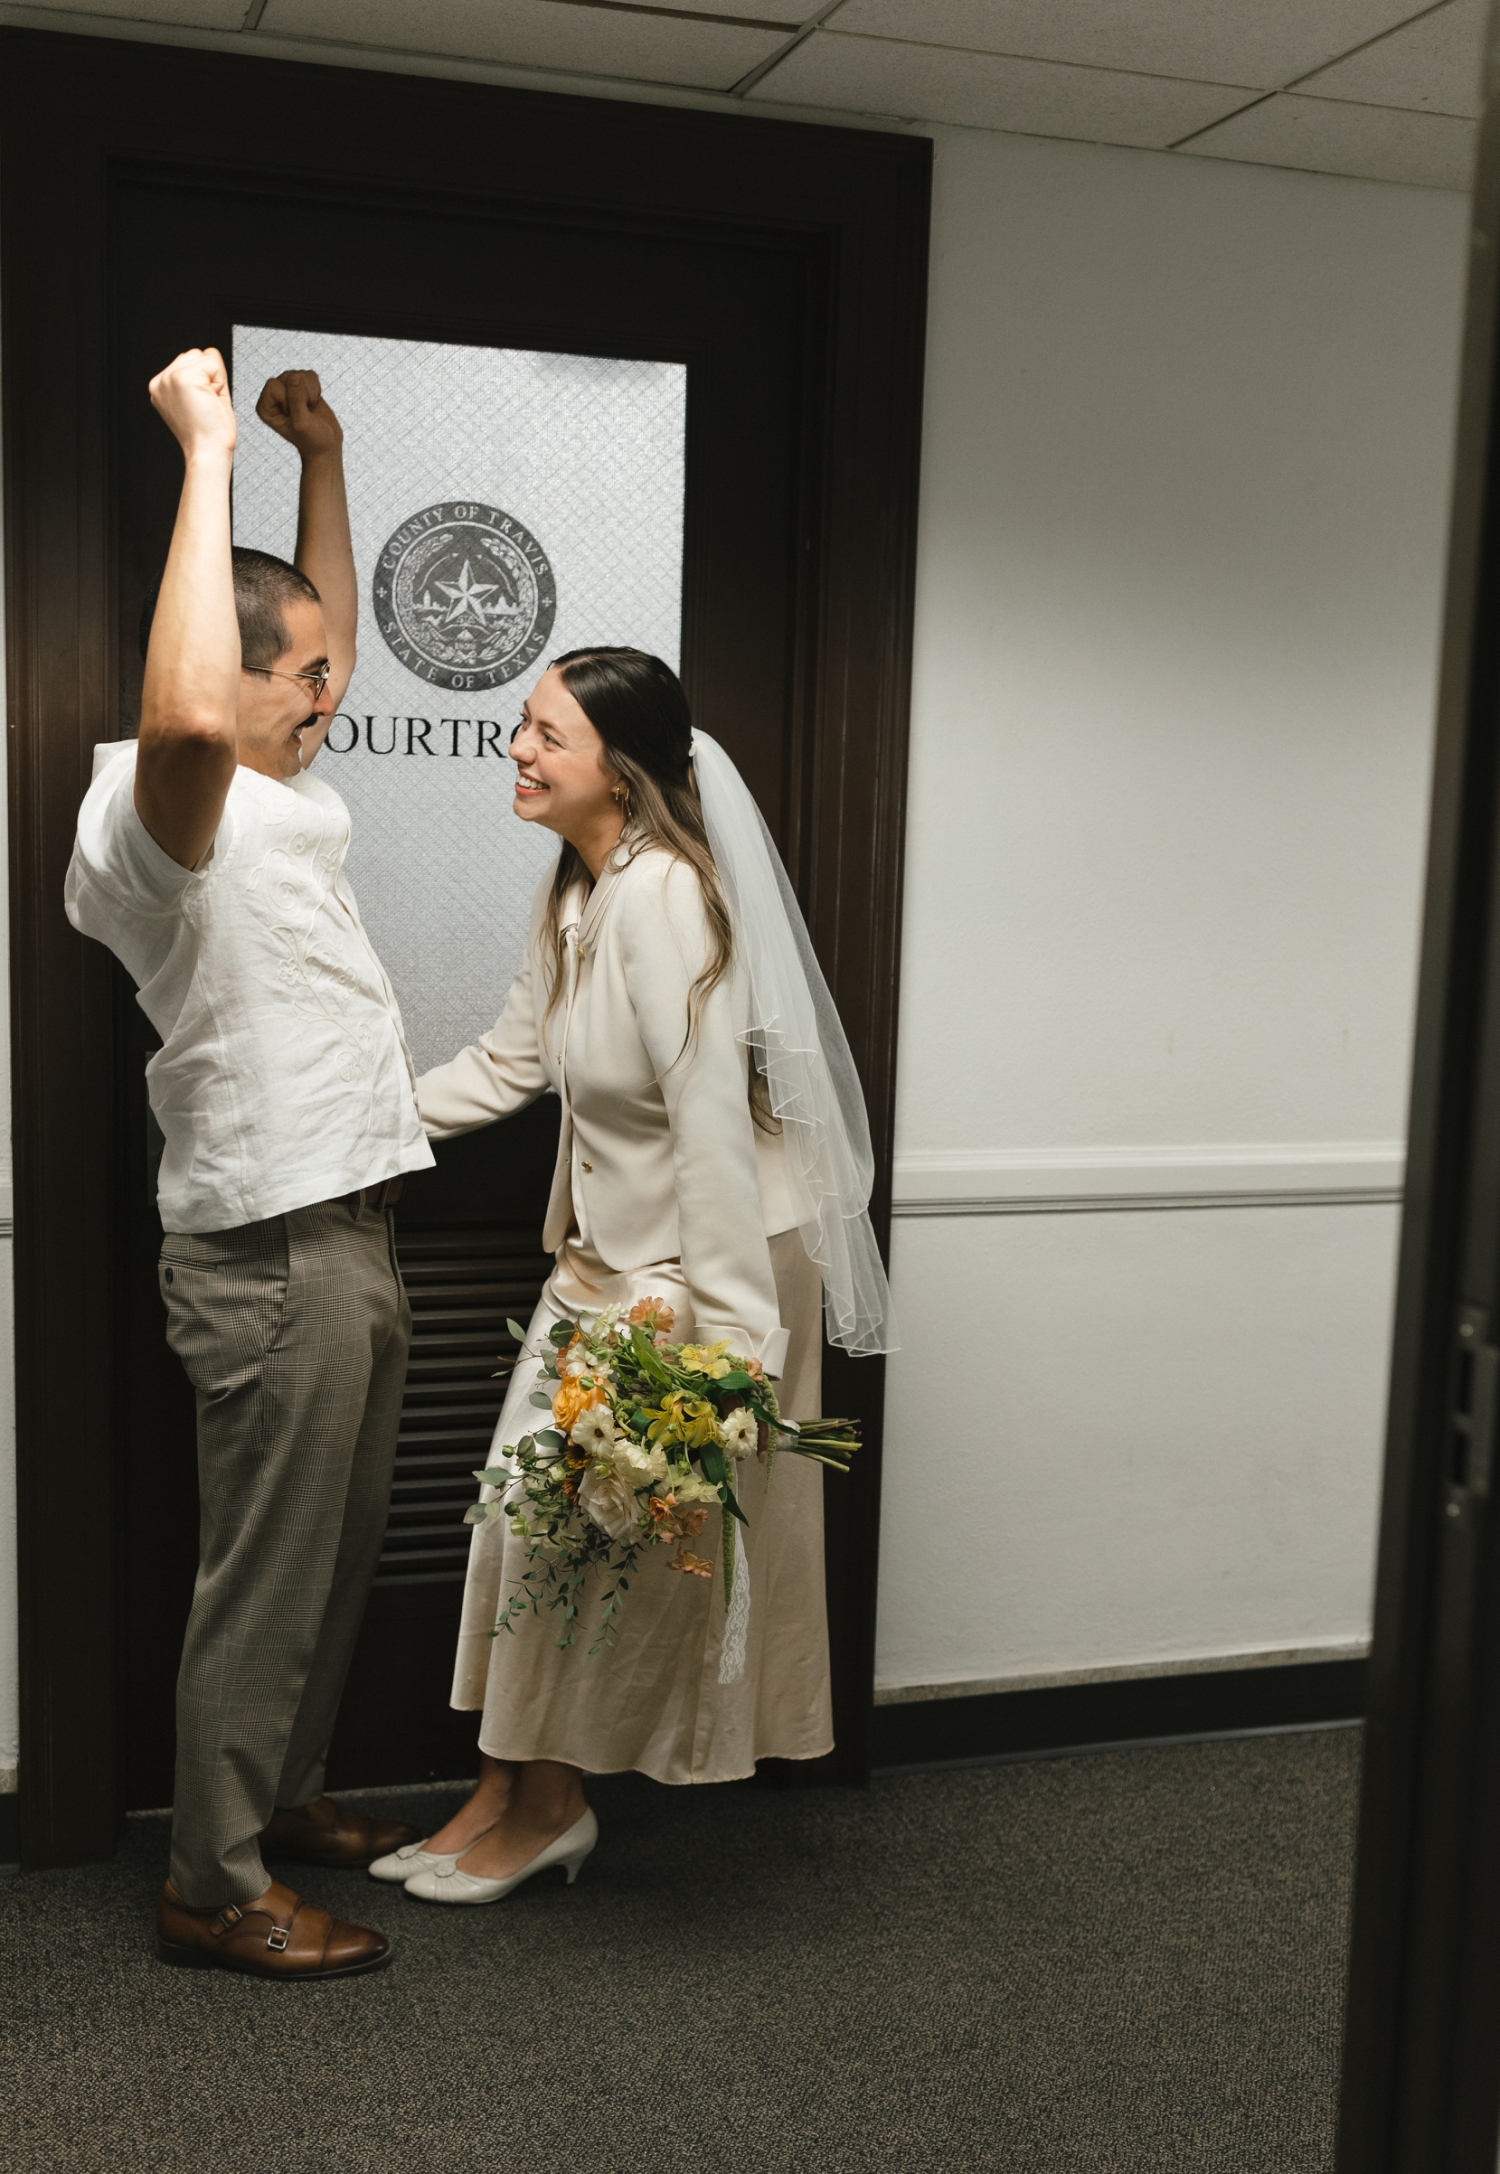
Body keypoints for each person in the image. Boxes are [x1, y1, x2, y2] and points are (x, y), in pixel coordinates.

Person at [370, 647, 894, 1905]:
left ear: (621, 763)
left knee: (590, 1553)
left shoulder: (664, 896)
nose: (520, 750)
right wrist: (346, 1124)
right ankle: (504, 1788)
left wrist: (729, 1352)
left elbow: (711, 1127)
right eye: (521, 729)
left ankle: (550, 1807)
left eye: (547, 733)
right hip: (601, 1260)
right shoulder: (574, 887)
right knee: (523, 1528)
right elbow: (506, 1062)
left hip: (700, 1267)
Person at [65, 348, 435, 1978]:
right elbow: (196, 702)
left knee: (334, 1558)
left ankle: (281, 1799)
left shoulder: (295, 786)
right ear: (242, 676)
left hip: (350, 1230)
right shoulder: (158, 810)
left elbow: (311, 638)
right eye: (300, 677)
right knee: (264, 1582)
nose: (327, 692)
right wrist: (205, 452)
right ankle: (212, 1883)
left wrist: (326, 462)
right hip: (272, 1255)